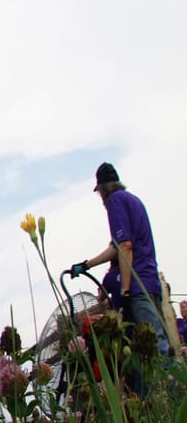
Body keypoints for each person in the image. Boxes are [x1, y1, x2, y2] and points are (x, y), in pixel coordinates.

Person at [70, 163, 170, 393]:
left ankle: (171, 397)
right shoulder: (133, 200)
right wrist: (86, 265)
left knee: (155, 347)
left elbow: (125, 246)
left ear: (102, 190)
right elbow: (117, 246)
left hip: (137, 285)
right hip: (150, 282)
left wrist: (124, 291)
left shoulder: (115, 202)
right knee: (139, 352)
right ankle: (148, 405)